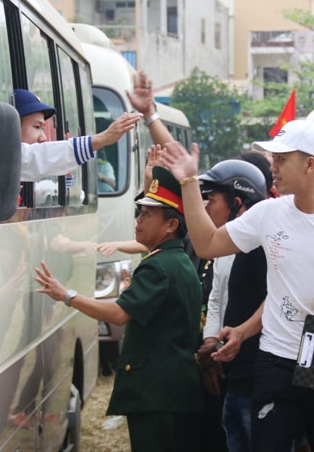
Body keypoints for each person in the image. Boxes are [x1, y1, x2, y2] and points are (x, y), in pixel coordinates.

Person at [160, 119, 314, 452]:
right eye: (272, 159)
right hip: (275, 358)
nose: (273, 168)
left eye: (281, 159)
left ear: (310, 164)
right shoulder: (267, 213)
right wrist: (188, 181)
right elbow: (207, 245)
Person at [34, 166, 204, 452]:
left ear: (171, 225)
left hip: (157, 392)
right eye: (140, 212)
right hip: (174, 390)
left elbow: (119, 314)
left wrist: (67, 295)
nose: (138, 220)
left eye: (147, 215)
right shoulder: (178, 260)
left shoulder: (158, 266)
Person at [198, 157, 270, 452]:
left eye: (211, 200)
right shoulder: (223, 243)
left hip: (257, 371)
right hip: (230, 366)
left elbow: (276, 300)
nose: (205, 207)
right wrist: (212, 343)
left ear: (237, 201)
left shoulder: (262, 243)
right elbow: (216, 297)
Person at [15, 88, 141, 181]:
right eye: (37, 127)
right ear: (11, 127)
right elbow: (31, 156)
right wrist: (102, 138)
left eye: (43, 128)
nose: (43, 138)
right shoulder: (6, 156)